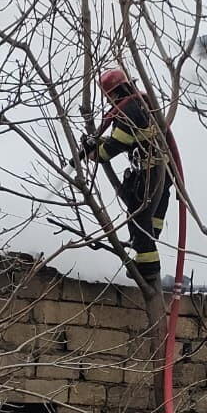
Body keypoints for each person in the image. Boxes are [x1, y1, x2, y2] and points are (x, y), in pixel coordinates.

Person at [78, 67, 171, 282]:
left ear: (112, 93)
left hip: (150, 174)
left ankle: (148, 269)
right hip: (163, 174)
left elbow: (109, 150)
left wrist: (93, 151)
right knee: (150, 224)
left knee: (139, 221)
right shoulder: (142, 103)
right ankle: (145, 256)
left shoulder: (128, 111)